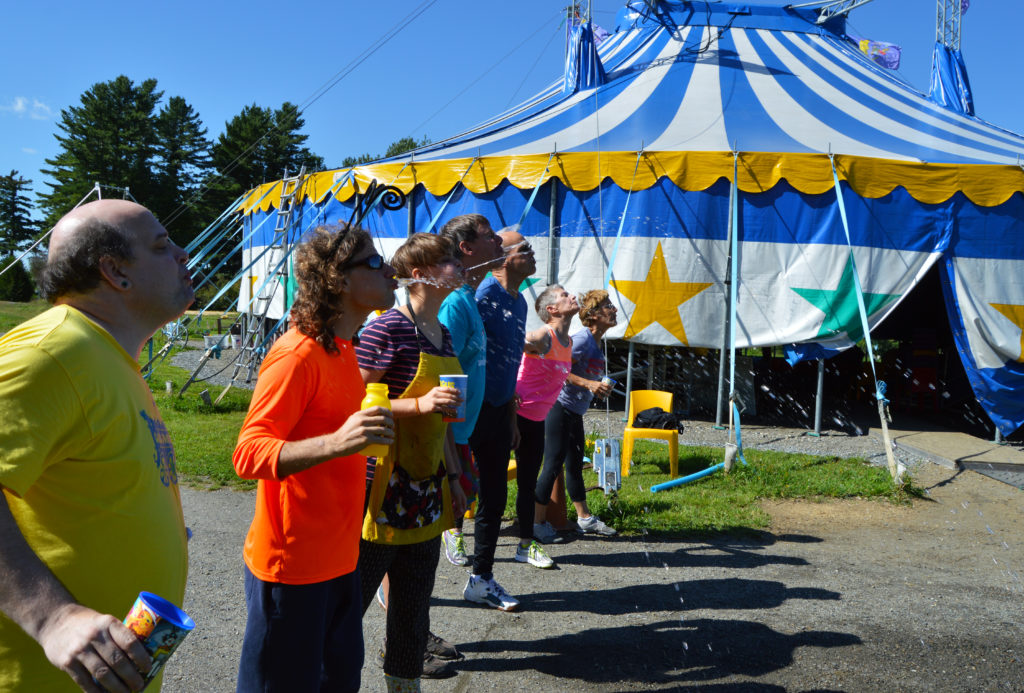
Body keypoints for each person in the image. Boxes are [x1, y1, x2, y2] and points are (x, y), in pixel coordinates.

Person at [0, 199, 194, 692]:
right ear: (114, 272)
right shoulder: (53, 353)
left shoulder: (106, 355)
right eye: (161, 244)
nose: (182, 252)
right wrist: (51, 617)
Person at [232, 224, 397, 693]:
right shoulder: (297, 354)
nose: (389, 270)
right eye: (374, 262)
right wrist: (337, 443)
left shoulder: (346, 350)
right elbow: (248, 453)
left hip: (341, 560)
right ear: (339, 280)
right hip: (293, 569)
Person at [355, 232, 468, 692]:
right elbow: (352, 400)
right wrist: (418, 406)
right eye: (445, 261)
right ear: (418, 275)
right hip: (379, 487)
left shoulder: (443, 334)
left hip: (426, 489)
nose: (457, 266)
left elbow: (443, 422)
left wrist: (455, 478)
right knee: (351, 602)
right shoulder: (387, 327)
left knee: (414, 606)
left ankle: (404, 685)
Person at [463, 227, 536, 612]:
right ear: (503, 257)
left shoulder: (521, 301)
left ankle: (482, 577)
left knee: (494, 496)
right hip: (468, 410)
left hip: (496, 411)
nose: (533, 251)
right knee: (451, 491)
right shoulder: (481, 297)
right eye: (525, 248)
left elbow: (511, 364)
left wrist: (510, 415)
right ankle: (399, 583)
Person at [437, 214, 504, 567]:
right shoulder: (455, 304)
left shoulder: (469, 298)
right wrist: (450, 446)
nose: (499, 242)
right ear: (466, 247)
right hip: (450, 433)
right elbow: (441, 374)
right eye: (490, 236)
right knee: (435, 520)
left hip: (463, 432)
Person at [534, 290, 618, 541]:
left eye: (611, 305)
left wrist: (596, 387)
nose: (613, 310)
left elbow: (580, 375)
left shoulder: (596, 341)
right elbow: (560, 370)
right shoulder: (581, 340)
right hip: (558, 408)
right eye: (607, 306)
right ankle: (536, 523)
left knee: (574, 466)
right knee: (552, 465)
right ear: (592, 316)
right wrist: (590, 385)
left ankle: (584, 518)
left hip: (574, 411)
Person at [510, 285, 580, 568]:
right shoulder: (543, 336)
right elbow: (508, 344)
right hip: (512, 416)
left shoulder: (568, 342)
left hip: (536, 420)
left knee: (527, 485)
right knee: (481, 479)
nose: (572, 296)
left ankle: (525, 545)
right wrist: (505, 387)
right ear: (552, 310)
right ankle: (453, 531)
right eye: (564, 295)